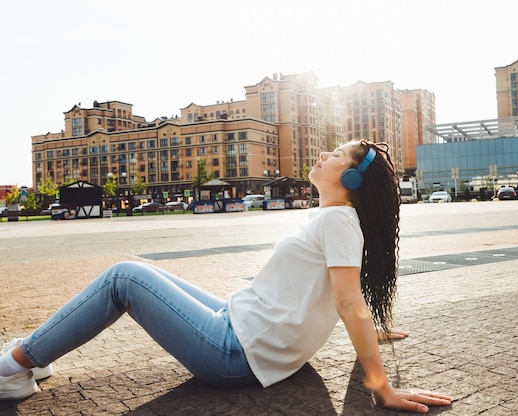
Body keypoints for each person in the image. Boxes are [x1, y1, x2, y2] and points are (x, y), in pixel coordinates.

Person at [0, 140, 452, 413]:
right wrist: (372, 333)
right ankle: (36, 354)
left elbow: (348, 302)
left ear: (352, 179)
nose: (322, 154)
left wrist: (382, 387)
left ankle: (14, 367)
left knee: (124, 277)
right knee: (147, 273)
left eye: (335, 154)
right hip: (243, 327)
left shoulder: (337, 222)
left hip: (235, 354)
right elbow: (333, 295)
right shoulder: (336, 221)